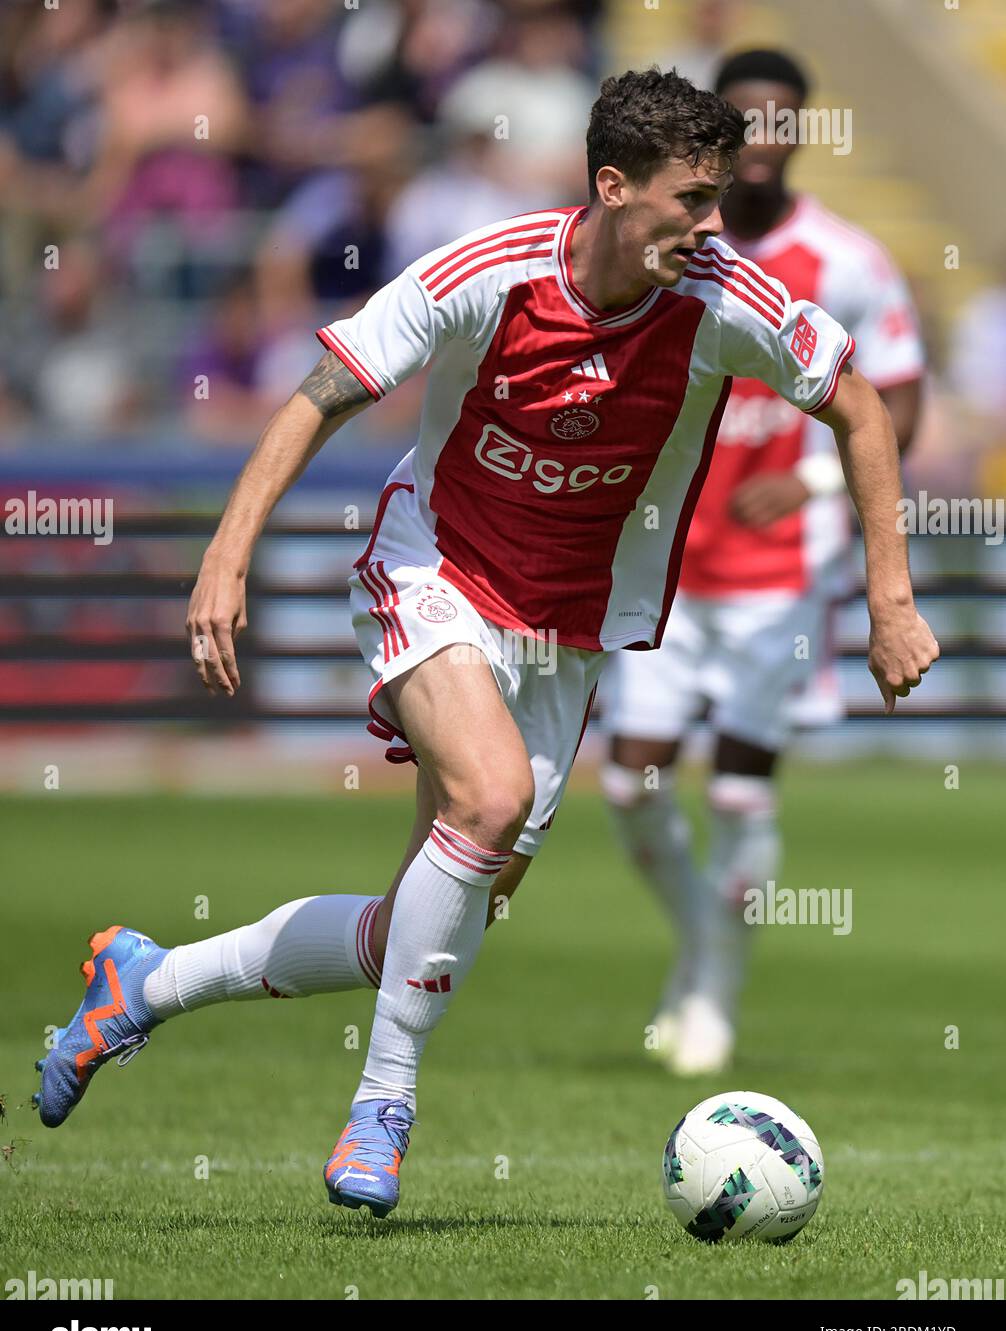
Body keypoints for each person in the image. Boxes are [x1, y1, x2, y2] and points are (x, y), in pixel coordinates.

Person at [33, 68, 938, 1219]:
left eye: (716, 200)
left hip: (567, 630)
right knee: (489, 795)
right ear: (612, 186)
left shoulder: (722, 297)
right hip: (436, 568)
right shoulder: (488, 270)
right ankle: (385, 1102)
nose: (710, 224)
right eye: (689, 199)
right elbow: (322, 391)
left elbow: (859, 403)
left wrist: (890, 596)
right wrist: (224, 557)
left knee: (423, 921)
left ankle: (145, 983)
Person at [601, 50, 926, 1077]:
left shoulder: (845, 259)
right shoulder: (660, 248)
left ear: (801, 132)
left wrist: (819, 486)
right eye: (746, 119)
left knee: (740, 792)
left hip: (782, 571)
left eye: (783, 119)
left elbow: (897, 401)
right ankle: (703, 932)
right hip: (663, 561)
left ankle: (713, 986)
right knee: (629, 783)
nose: (765, 137)